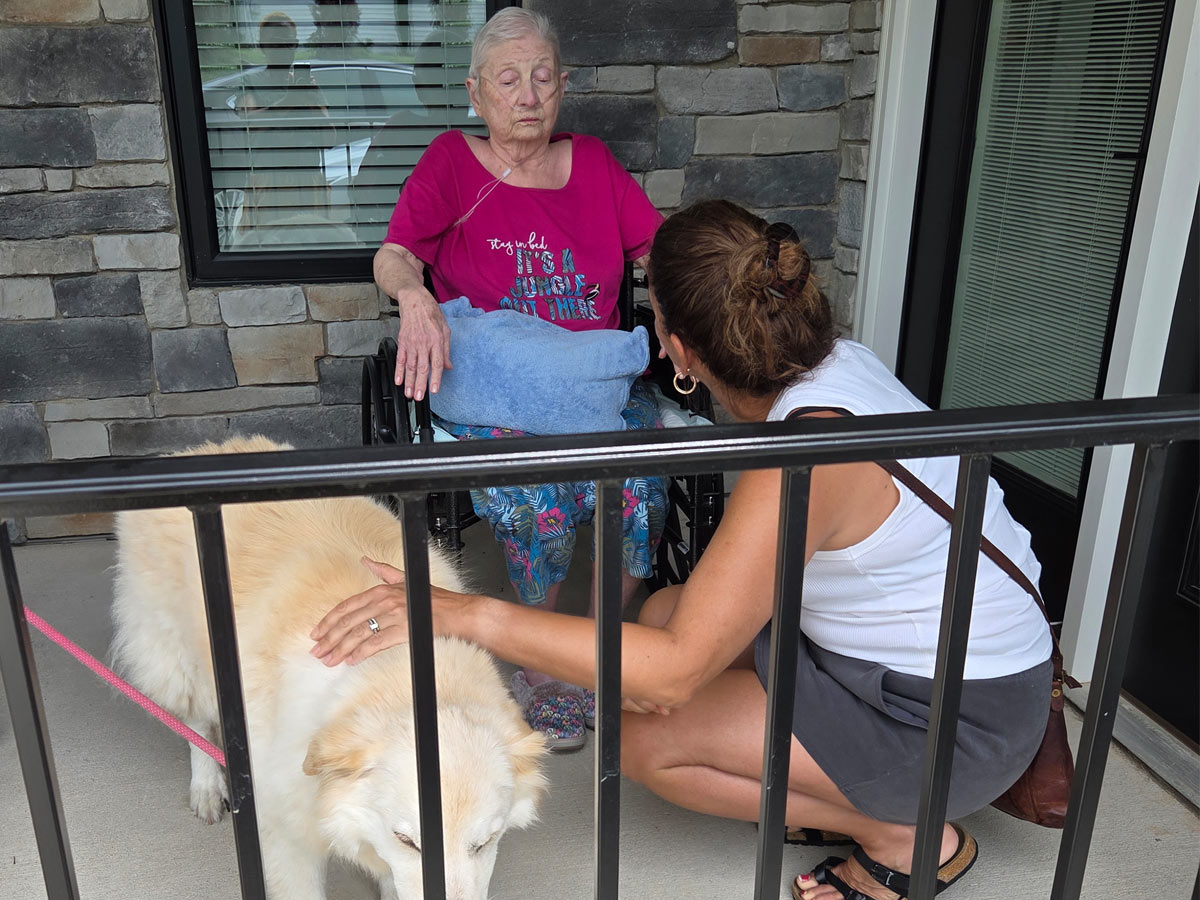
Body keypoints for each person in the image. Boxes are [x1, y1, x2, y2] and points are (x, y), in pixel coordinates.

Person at [314, 199, 1056, 900]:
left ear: (678, 351)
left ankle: (902, 834)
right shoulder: (836, 367)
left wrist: (461, 613)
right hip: (920, 663)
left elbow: (672, 674)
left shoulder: (809, 455)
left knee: (641, 739)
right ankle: (848, 791)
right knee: (663, 614)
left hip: (954, 719)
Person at [372, 7, 668, 751]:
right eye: (508, 80)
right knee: (538, 493)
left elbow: (658, 252)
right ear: (477, 93)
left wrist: (675, 306)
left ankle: (596, 649)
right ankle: (542, 662)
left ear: (563, 85)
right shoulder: (451, 161)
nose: (528, 95)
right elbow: (395, 255)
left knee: (640, 483)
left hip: (594, 384)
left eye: (542, 77)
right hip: (499, 386)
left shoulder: (593, 163)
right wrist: (414, 298)